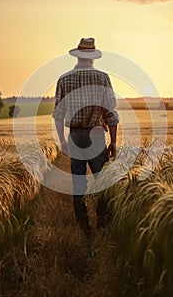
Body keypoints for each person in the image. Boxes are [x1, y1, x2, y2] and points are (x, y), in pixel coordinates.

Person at [52, 37, 119, 239]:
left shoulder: (64, 79)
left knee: (79, 183)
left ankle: (84, 228)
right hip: (97, 135)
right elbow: (111, 113)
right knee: (103, 182)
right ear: (92, 57)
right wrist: (114, 142)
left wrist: (63, 140)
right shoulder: (102, 78)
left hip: (75, 135)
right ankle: (101, 221)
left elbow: (58, 113)